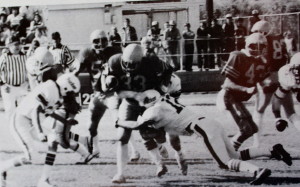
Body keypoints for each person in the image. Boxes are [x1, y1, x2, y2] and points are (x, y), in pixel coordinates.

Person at [116, 89, 292, 185]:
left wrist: (120, 122)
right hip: (210, 122)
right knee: (235, 156)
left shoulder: (154, 110)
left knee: (224, 163)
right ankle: (272, 150)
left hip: (201, 128)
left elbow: (138, 125)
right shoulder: (166, 100)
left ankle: (257, 171)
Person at [105, 44, 175, 183]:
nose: (129, 67)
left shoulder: (151, 61)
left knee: (148, 135)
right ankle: (120, 173)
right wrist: (108, 82)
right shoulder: (114, 61)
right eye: (126, 63)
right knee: (122, 137)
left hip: (148, 103)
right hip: (129, 102)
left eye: (134, 64)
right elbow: (113, 90)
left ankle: (159, 161)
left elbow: (169, 69)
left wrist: (163, 86)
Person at [0, 73, 84, 187]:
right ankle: (2, 167)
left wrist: (65, 122)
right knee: (30, 156)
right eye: (71, 92)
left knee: (53, 140)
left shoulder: (55, 90)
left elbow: (49, 112)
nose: (71, 95)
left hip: (30, 120)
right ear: (66, 87)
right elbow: (35, 111)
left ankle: (44, 180)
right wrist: (39, 132)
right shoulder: (51, 89)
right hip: (21, 120)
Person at [216, 33, 269, 151]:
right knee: (246, 130)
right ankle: (226, 152)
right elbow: (227, 84)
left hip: (237, 100)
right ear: (250, 46)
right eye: (257, 46)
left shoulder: (260, 61)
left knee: (253, 129)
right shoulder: (238, 56)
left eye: (262, 46)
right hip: (227, 97)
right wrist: (246, 89)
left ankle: (230, 149)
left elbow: (261, 80)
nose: (260, 49)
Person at [74, 29, 121, 158]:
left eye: (103, 40)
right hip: (98, 94)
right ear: (91, 42)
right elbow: (76, 71)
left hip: (113, 94)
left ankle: (134, 151)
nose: (100, 43)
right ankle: (95, 149)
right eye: (96, 41)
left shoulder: (115, 52)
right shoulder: (87, 53)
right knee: (91, 124)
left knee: (120, 122)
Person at [250, 20, 289, 148]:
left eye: (257, 32)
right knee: (289, 111)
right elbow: (286, 56)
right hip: (283, 75)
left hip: (269, 76)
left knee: (259, 110)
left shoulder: (264, 41)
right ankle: (277, 118)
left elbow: (263, 59)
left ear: (264, 32)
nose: (255, 35)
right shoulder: (279, 38)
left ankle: (256, 143)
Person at [0, 35, 28, 121]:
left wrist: (28, 83)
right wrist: (3, 85)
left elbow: (29, 71)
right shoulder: (4, 57)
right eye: (14, 45)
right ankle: (11, 130)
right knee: (10, 110)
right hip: (9, 87)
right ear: (9, 46)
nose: (16, 47)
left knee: (24, 109)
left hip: (22, 86)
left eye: (18, 44)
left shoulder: (25, 57)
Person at [271, 52, 300, 133]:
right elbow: (277, 97)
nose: (297, 72)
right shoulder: (287, 76)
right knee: (290, 112)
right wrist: (277, 118)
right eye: (297, 69)